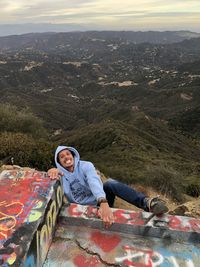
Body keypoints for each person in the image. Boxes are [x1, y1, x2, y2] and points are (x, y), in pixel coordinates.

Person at [48, 146, 168, 227]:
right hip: (83, 210)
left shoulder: (85, 166)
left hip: (101, 202)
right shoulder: (60, 175)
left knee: (110, 184)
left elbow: (94, 181)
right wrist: (52, 170)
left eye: (68, 154)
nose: (66, 157)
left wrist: (103, 203)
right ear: (58, 162)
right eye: (61, 157)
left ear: (73, 155)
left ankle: (147, 203)